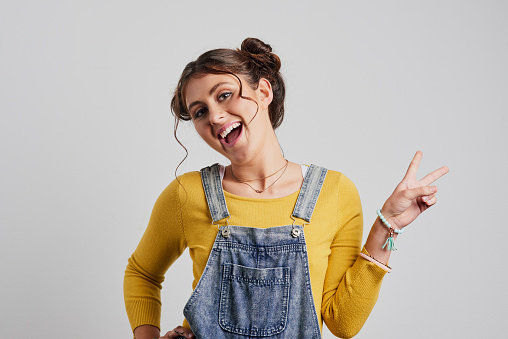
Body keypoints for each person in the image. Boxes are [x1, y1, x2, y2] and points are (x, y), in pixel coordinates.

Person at [123, 37, 448, 339]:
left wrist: (386, 225)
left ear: (264, 92)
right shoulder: (188, 193)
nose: (216, 116)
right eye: (200, 111)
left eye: (223, 95)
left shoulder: (333, 192)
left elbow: (344, 323)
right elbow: (142, 272)